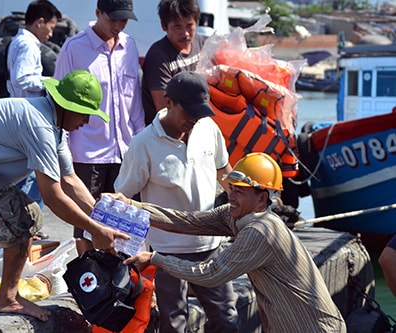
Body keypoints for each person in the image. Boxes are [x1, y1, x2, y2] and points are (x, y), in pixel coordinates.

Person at [0, 70, 129, 333]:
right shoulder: (40, 124)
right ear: (66, 106)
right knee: (27, 217)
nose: (86, 121)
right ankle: (8, 297)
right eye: (84, 113)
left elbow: (70, 181)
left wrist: (104, 218)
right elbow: (52, 196)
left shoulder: (54, 128)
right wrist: (96, 231)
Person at [111, 152, 347, 332]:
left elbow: (211, 274)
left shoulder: (261, 231)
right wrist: (133, 207)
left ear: (261, 198)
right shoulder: (237, 215)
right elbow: (187, 221)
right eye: (231, 187)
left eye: (240, 191)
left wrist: (155, 259)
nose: (231, 195)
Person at [114, 71, 238, 332]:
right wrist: (126, 249)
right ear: (168, 102)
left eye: (200, 112)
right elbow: (123, 198)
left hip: (210, 244)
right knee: (174, 322)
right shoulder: (143, 144)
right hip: (165, 250)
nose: (194, 118)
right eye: (189, 111)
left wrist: (246, 207)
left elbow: (224, 172)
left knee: (226, 316)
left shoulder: (208, 129)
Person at [53, 0, 145, 254]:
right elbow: (59, 103)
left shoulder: (129, 47)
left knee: (125, 222)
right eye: (113, 19)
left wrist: (139, 144)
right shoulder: (74, 48)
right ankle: (89, 284)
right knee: (87, 224)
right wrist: (63, 152)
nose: (118, 25)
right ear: (97, 13)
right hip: (87, 153)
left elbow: (134, 101)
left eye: (124, 20)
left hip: (124, 152)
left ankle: (120, 283)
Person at [6, 0, 62, 210]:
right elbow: (21, 78)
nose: (50, 33)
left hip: (20, 113)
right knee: (32, 175)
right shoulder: (28, 44)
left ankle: (21, 219)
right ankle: (26, 220)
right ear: (40, 22)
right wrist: (49, 82)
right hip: (27, 115)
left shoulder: (20, 41)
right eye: (51, 27)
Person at [141, 0, 205, 125]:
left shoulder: (200, 43)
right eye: (177, 27)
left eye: (189, 25)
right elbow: (165, 112)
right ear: (164, 26)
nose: (185, 33)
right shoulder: (158, 57)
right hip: (165, 133)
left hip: (195, 123)